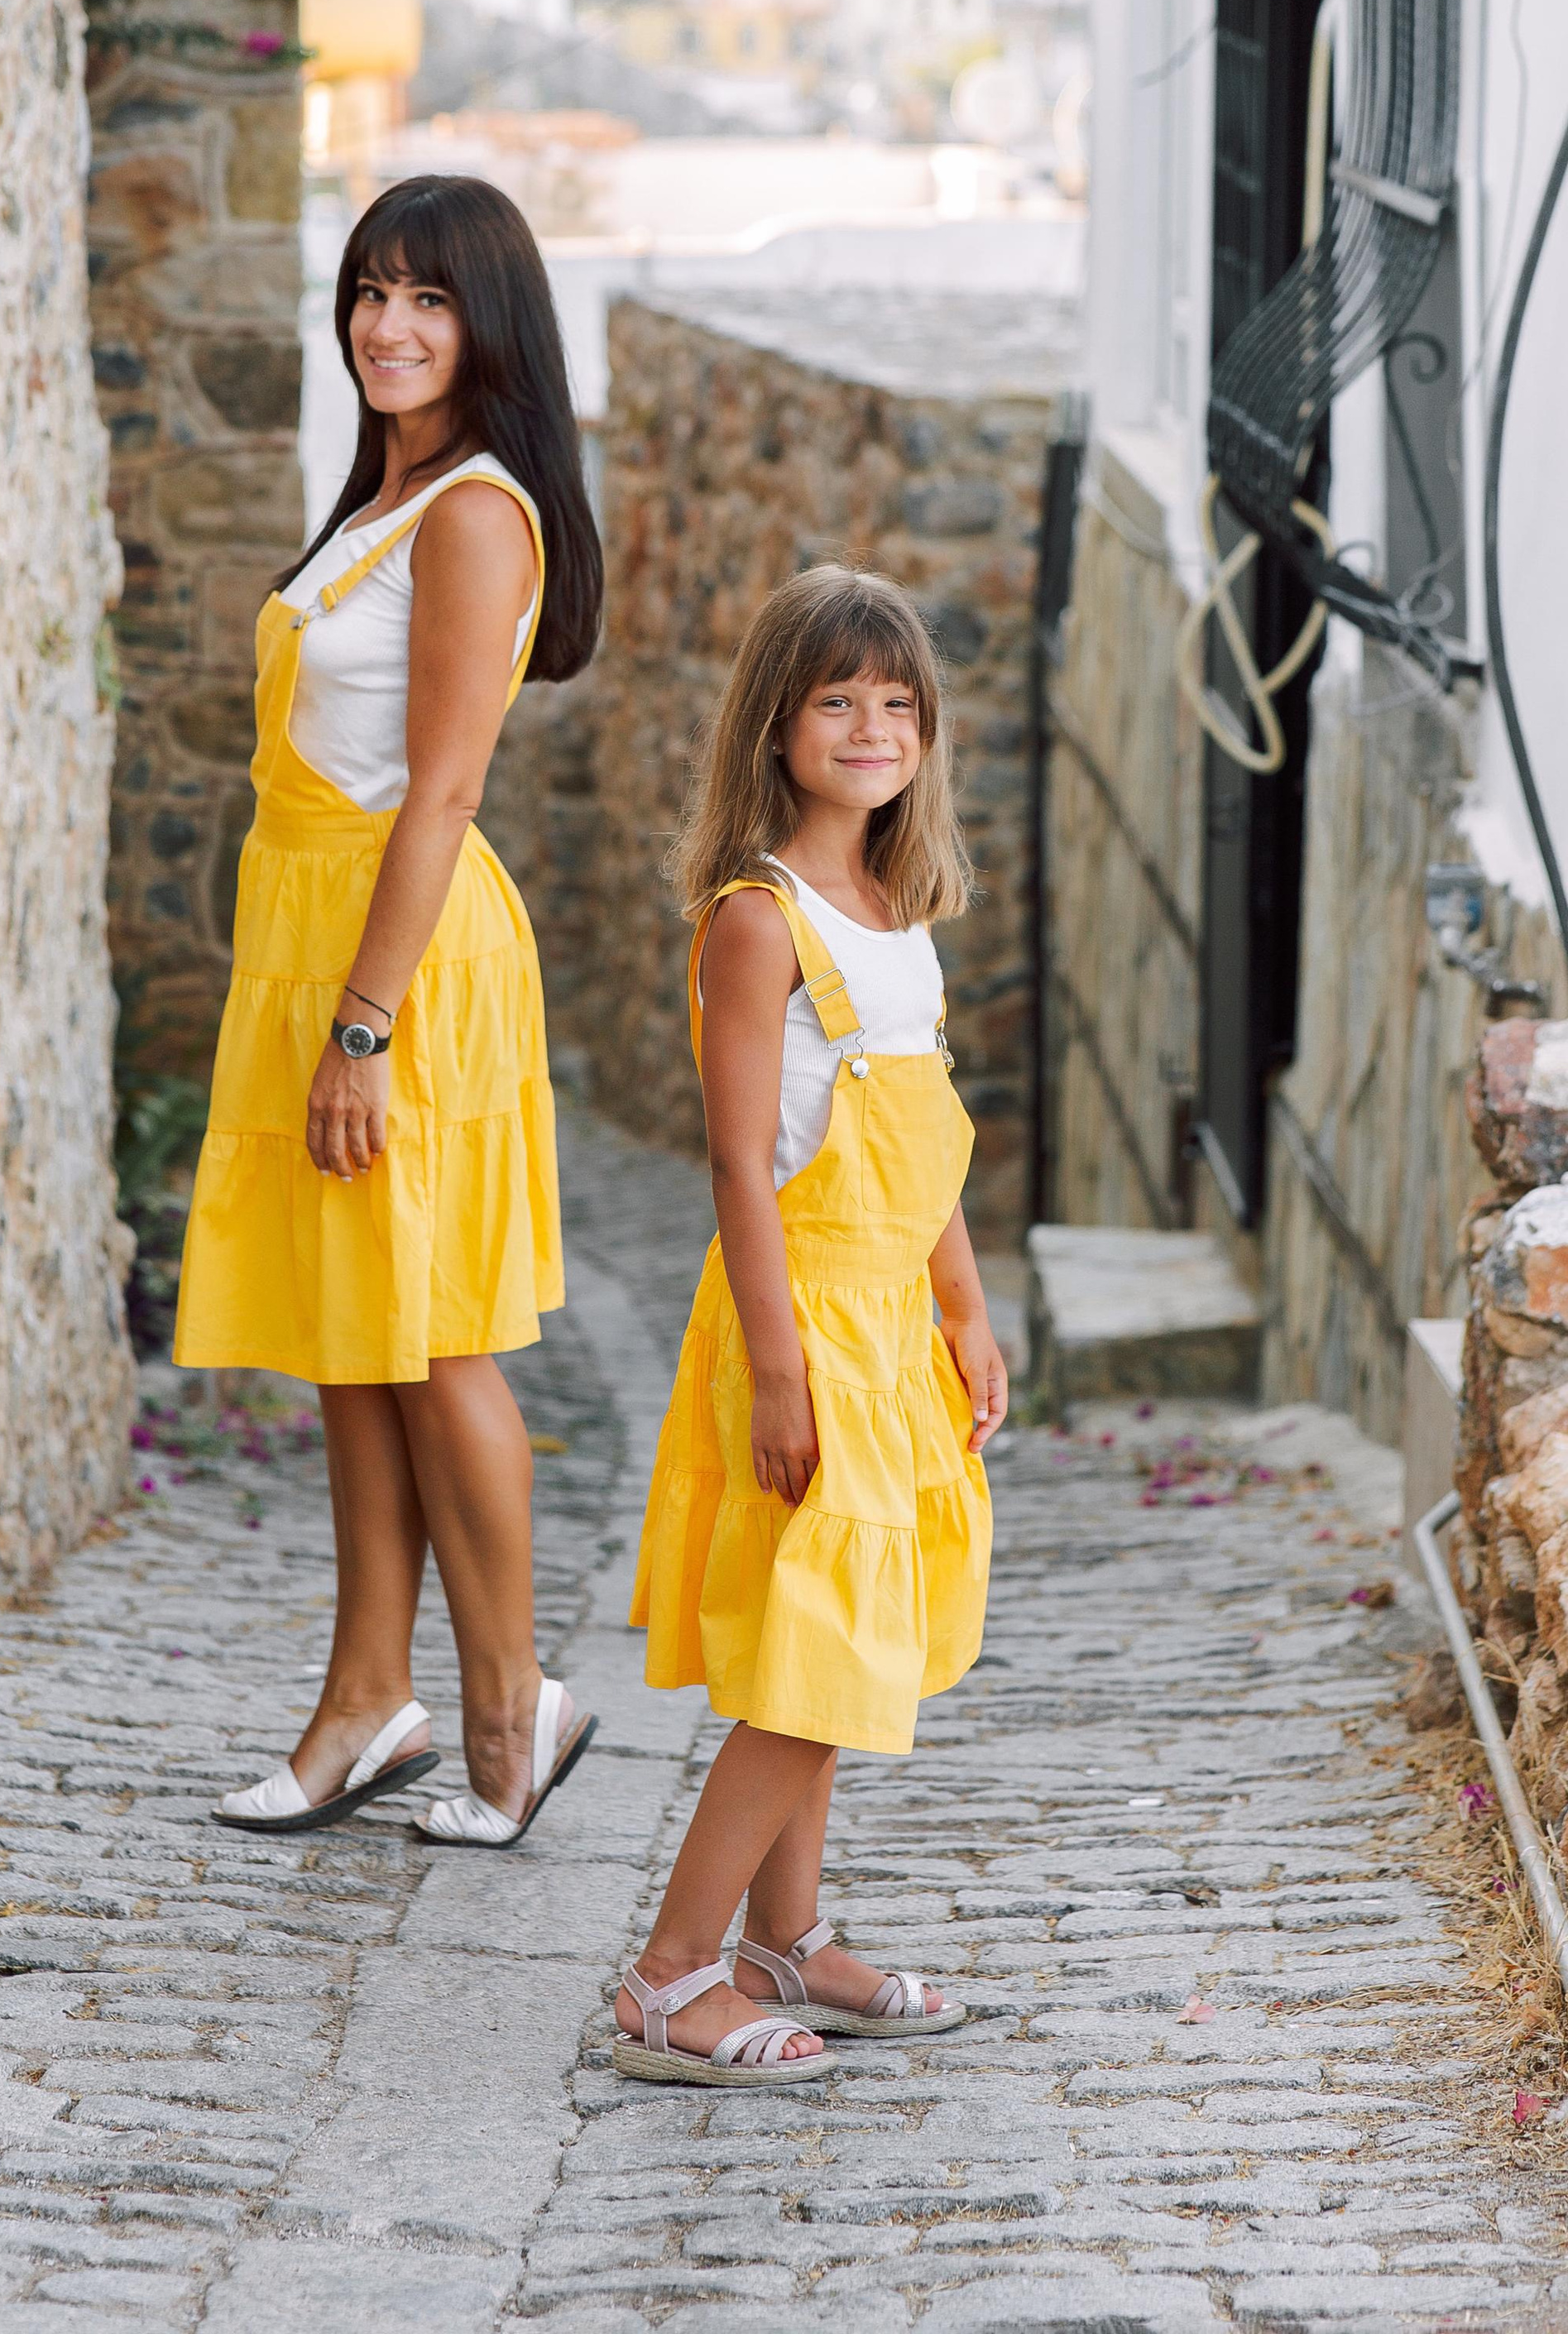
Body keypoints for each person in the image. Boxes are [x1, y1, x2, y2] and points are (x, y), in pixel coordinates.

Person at [173, 174, 602, 1846]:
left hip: (396, 960)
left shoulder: (477, 512)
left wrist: (362, 1025)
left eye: (427, 299)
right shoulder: (381, 499)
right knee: (351, 1352)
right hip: (313, 932)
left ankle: (511, 1714)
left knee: (434, 1347)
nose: (386, 327)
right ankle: (367, 1701)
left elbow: (437, 794)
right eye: (368, 292)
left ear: (485, 325)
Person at [615, 566, 1008, 2084]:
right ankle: (669, 1977)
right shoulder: (758, 922)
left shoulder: (894, 916)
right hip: (801, 1328)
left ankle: (787, 1943)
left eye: (896, 704)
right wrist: (779, 1374)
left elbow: (927, 1138)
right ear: (775, 726)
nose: (869, 727)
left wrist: (962, 1309)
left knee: (844, 1650)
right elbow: (738, 1165)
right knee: (813, 1660)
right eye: (837, 699)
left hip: (889, 1323)